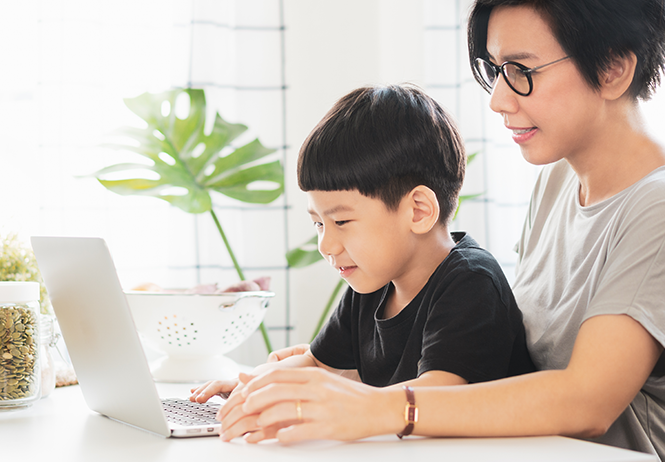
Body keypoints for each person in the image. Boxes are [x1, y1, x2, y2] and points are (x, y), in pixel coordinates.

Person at [222, 0, 665, 459]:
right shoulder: (558, 182)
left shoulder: (656, 207)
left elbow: (588, 401)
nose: (498, 99)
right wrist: (307, 379)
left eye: (520, 70)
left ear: (613, 69)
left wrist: (374, 407)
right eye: (495, 70)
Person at [191, 84, 535, 442]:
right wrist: (254, 387)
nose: (325, 244)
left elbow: (440, 391)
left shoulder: (471, 282)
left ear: (418, 211)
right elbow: (316, 363)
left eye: (341, 222)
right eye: (318, 224)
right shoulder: (372, 283)